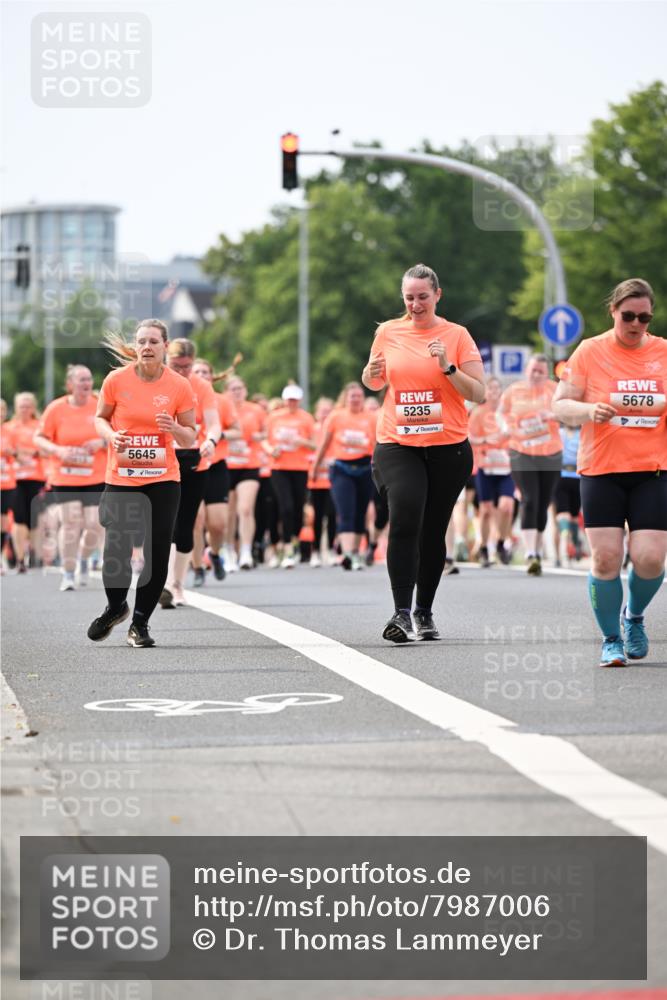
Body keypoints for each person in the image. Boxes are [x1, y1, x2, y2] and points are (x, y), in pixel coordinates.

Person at [362, 263, 485, 642]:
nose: (415, 305)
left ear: (437, 295)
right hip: (397, 443)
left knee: (433, 530)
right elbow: (374, 381)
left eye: (422, 297)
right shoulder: (388, 331)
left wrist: (448, 367)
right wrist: (369, 371)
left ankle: (424, 610)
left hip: (448, 447)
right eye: (409, 298)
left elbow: (478, 393)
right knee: (404, 516)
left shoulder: (457, 335)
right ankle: (400, 613)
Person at [552, 278, 667, 668]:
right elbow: (560, 406)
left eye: (645, 317)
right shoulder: (589, 351)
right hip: (601, 469)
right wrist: (589, 411)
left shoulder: (663, 352)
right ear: (613, 312)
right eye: (629, 316)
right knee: (605, 559)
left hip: (652, 469)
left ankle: (634, 616)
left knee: (650, 559)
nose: (637, 324)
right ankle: (611, 639)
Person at [87, 319, 196, 647]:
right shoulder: (116, 381)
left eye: (153, 342)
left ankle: (140, 623)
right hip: (122, 476)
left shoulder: (178, 386)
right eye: (141, 341)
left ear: (165, 347)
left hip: (163, 478)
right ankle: (116, 606)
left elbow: (190, 436)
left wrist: (173, 429)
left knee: (157, 548)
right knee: (117, 548)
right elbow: (100, 418)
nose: (146, 347)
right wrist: (111, 436)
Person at [159, 339, 221, 607]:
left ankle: (176, 585)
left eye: (187, 366)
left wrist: (211, 441)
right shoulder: (156, 382)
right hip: (161, 458)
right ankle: (162, 580)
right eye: (176, 365)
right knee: (163, 523)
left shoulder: (201, 386)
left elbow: (214, 424)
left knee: (186, 525)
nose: (183, 371)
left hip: (194, 459)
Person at [34, 365, 106, 590]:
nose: (86, 384)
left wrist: (101, 442)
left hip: (96, 474)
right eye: (81, 380)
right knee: (71, 521)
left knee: (95, 524)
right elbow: (39, 438)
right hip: (64, 476)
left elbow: (118, 433)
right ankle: (67, 572)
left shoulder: (99, 405)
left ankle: (84, 558)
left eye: (88, 379)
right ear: (70, 385)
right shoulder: (56, 409)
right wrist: (58, 450)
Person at [499, 355, 562, 575]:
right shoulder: (513, 391)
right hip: (521, 451)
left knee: (543, 501)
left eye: (541, 372)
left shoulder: (554, 390)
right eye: (533, 370)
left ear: (547, 374)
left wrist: (552, 415)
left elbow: (567, 413)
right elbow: (501, 414)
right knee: (529, 499)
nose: (536, 375)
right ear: (526, 370)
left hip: (550, 452)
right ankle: (530, 553)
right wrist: (506, 426)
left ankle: (537, 548)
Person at [312, 382, 376, 571]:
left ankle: (355, 552)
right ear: (345, 398)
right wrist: (315, 467)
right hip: (341, 468)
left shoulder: (371, 418)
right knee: (345, 510)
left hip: (365, 468)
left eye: (359, 396)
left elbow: (378, 444)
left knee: (360, 511)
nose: (356, 399)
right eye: (352, 396)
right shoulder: (336, 417)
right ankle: (347, 554)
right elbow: (324, 443)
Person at [189, 357, 239, 585]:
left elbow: (239, 431)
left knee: (218, 524)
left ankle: (215, 554)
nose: (200, 376)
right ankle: (198, 566)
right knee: (196, 520)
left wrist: (217, 436)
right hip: (191, 464)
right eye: (196, 372)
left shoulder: (222, 402)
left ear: (212, 376)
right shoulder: (180, 397)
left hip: (216, 465)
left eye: (205, 372)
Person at [263, 385, 316, 569]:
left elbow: (315, 445)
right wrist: (271, 450)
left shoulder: (306, 418)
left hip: (300, 467)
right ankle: (285, 548)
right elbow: (264, 439)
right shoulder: (274, 418)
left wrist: (303, 442)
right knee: (284, 507)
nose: (291, 403)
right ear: (284, 400)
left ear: (299, 400)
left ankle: (291, 540)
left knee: (297, 508)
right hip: (279, 467)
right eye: (288, 399)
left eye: (294, 399)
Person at [468, 376, 514, 566]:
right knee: (486, 511)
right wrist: (487, 440)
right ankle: (485, 548)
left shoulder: (508, 414)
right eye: (491, 389)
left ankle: (502, 543)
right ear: (486, 393)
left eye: (497, 388)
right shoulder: (478, 413)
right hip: (486, 467)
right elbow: (470, 438)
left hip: (506, 468)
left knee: (506, 507)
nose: (494, 392)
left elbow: (518, 436)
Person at [225, 375, 266, 570]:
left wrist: (260, 436)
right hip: (226, 464)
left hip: (249, 464)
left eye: (240, 388)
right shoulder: (222, 408)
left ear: (246, 390)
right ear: (226, 391)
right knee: (228, 512)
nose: (237, 392)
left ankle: (246, 551)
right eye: (233, 388)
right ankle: (229, 550)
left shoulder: (255, 410)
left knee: (246, 509)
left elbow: (267, 432)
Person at [6, 392, 46, 572]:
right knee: (19, 518)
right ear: (16, 407)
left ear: (33, 407)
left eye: (28, 405)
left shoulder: (40, 426)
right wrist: (15, 453)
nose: (25, 409)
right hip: (14, 479)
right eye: (21, 406)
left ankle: (34, 556)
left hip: (37, 477)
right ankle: (21, 558)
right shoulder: (8, 427)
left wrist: (32, 453)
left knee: (34, 520)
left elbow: (46, 450)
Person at [308, 396, 337, 567]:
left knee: (332, 515)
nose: (325, 415)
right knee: (317, 516)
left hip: (333, 478)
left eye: (328, 411)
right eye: (322, 411)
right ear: (316, 413)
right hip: (316, 478)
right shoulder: (312, 429)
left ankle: (332, 550)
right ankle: (316, 551)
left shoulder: (335, 428)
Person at [1, 399, 16, 571]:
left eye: (3, 410)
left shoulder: (11, 431)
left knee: (4, 521)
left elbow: (20, 453)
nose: (1, 413)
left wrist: (12, 452)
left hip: (6, 481)